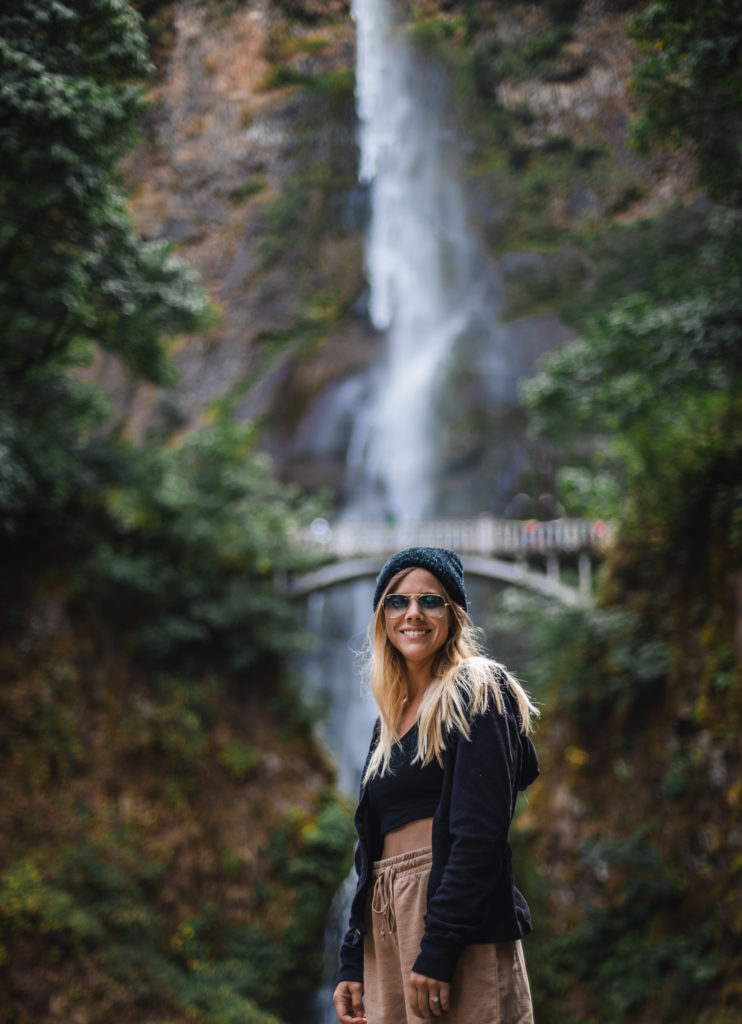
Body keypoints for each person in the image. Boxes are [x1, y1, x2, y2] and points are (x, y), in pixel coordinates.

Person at [332, 547, 539, 1024]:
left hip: (448, 915)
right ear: (382, 615)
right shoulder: (387, 723)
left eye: (431, 601)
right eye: (397, 601)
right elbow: (369, 848)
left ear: (455, 614)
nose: (413, 614)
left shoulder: (477, 687)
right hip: (384, 921)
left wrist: (440, 947)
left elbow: (479, 835)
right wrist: (352, 955)